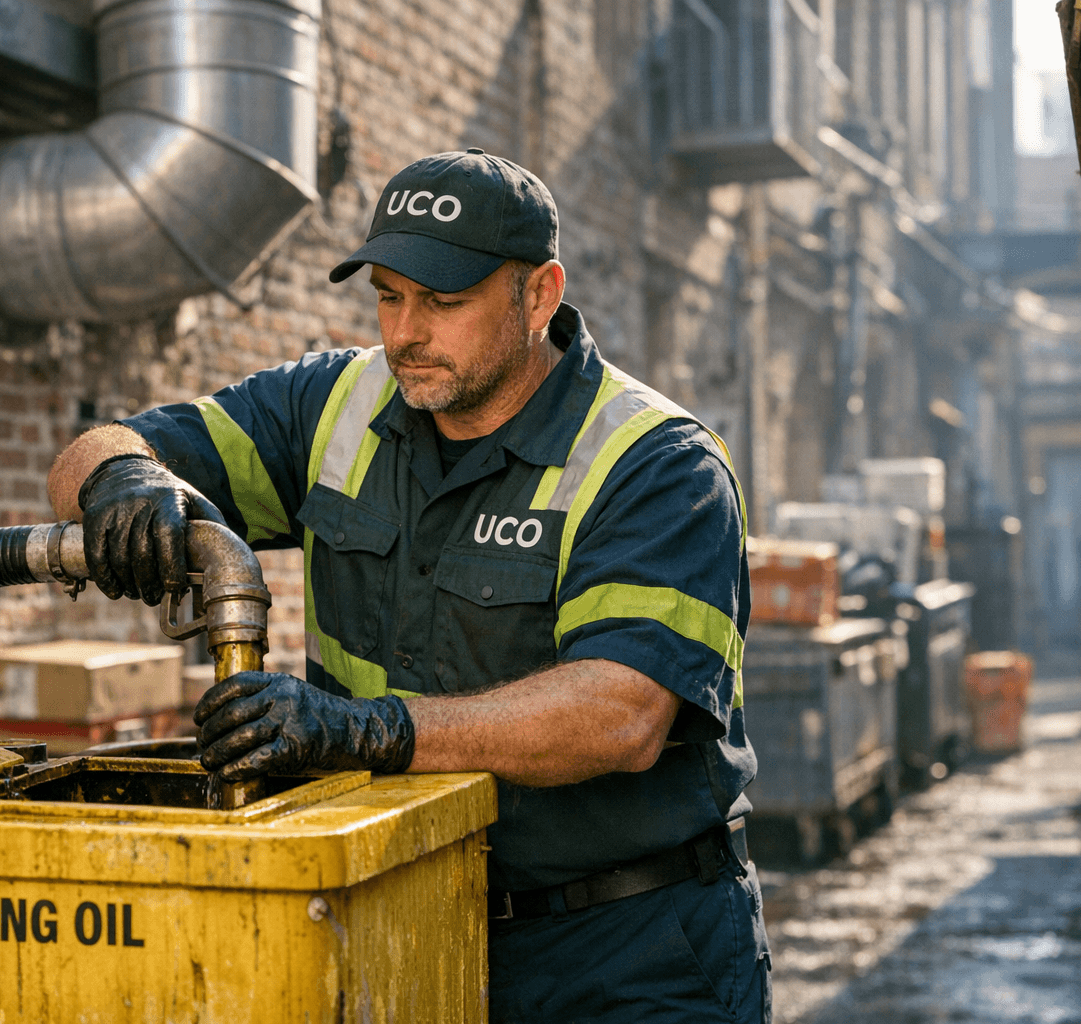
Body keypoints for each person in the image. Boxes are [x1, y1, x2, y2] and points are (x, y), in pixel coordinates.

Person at [47, 149, 770, 1022]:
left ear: (538, 295)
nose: (404, 332)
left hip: (627, 955)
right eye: (388, 295)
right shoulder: (333, 404)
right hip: (403, 923)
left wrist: (365, 731)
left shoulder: (654, 464)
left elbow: (620, 715)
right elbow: (98, 447)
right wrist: (120, 485)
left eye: (444, 301)